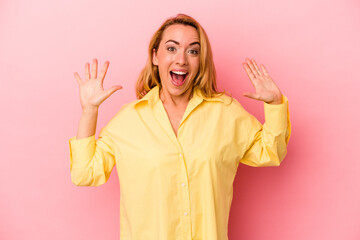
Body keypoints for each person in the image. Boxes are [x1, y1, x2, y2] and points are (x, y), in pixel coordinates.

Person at [69, 13, 291, 240]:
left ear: (200, 61)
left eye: (193, 51)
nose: (181, 60)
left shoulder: (226, 113)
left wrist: (274, 104)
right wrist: (89, 111)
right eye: (172, 48)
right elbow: (85, 173)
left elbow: (271, 151)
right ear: (155, 56)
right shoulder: (128, 120)